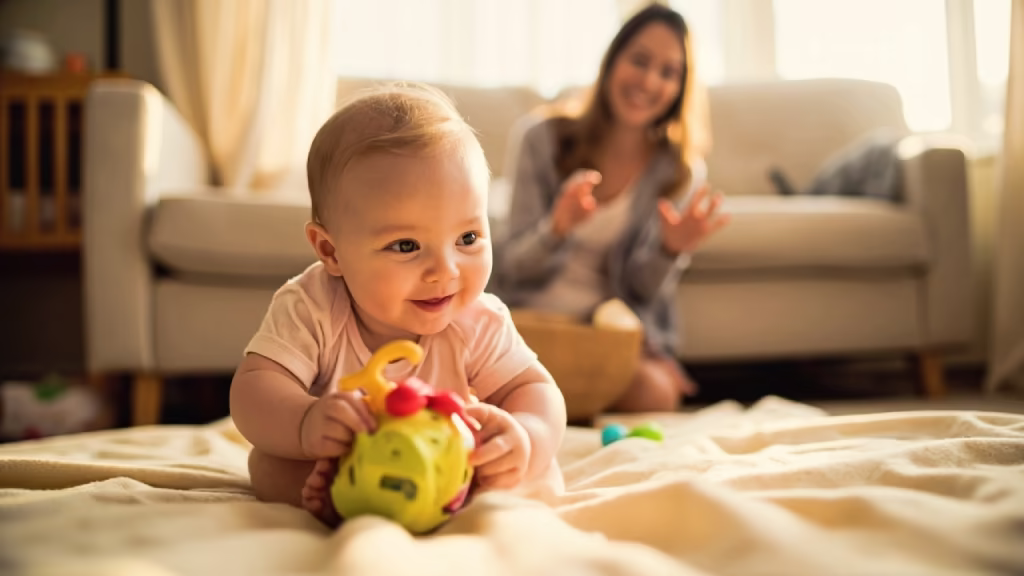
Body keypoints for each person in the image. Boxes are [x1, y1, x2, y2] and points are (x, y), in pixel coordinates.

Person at [229, 83, 567, 527]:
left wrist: (527, 435)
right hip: (352, 460)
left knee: (535, 468)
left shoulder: (478, 319)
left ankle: (459, 497)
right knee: (270, 466)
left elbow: (537, 390)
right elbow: (253, 390)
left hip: (447, 459)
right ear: (331, 252)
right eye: (406, 245)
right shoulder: (310, 306)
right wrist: (306, 423)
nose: (444, 271)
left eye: (467, 238)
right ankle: (344, 497)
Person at [492, 4, 730, 413]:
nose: (649, 81)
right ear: (612, 60)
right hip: (528, 324)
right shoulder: (540, 138)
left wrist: (670, 250)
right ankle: (554, 400)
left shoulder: (678, 172)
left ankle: (548, 401)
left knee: (657, 394)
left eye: (668, 72)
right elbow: (511, 268)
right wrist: (556, 229)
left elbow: (641, 290)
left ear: (681, 87)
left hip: (600, 338)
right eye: (639, 61)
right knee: (468, 364)